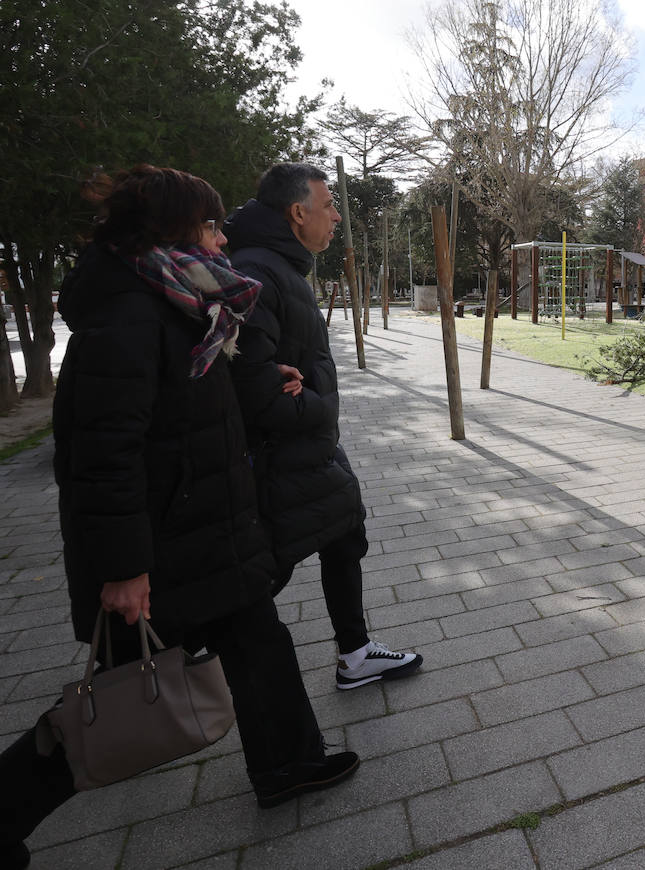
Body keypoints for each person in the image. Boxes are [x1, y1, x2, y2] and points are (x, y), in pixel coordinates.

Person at [0, 166, 359, 870]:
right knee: (112, 694)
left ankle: (290, 764)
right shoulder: (131, 314)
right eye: (211, 225)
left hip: (205, 533)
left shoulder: (173, 297)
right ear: (173, 231)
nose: (223, 238)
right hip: (163, 550)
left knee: (259, 644)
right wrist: (124, 568)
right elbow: (104, 454)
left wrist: (267, 380)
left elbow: (184, 399)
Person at [224, 163, 421, 690]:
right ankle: (178, 653)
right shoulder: (258, 272)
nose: (336, 216)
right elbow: (249, 384)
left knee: (342, 528)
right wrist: (316, 406)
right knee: (266, 568)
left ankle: (355, 653)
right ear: (297, 211)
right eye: (329, 205)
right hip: (278, 449)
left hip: (303, 442)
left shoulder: (278, 266)